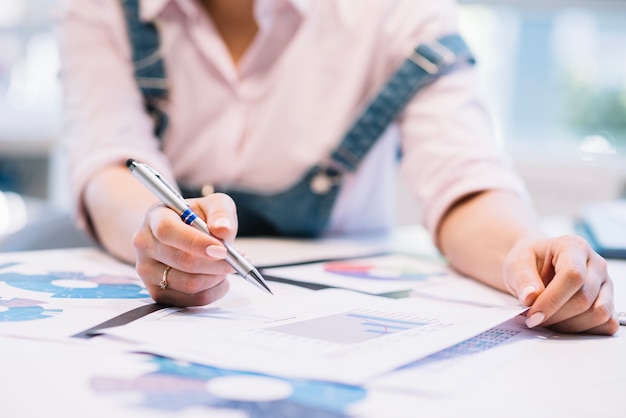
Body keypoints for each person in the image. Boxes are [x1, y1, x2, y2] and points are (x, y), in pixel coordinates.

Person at [58, 0, 619, 335]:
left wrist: (524, 256)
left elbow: (465, 179)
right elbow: (110, 162)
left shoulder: (394, 12)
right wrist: (156, 231)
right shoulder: (101, 10)